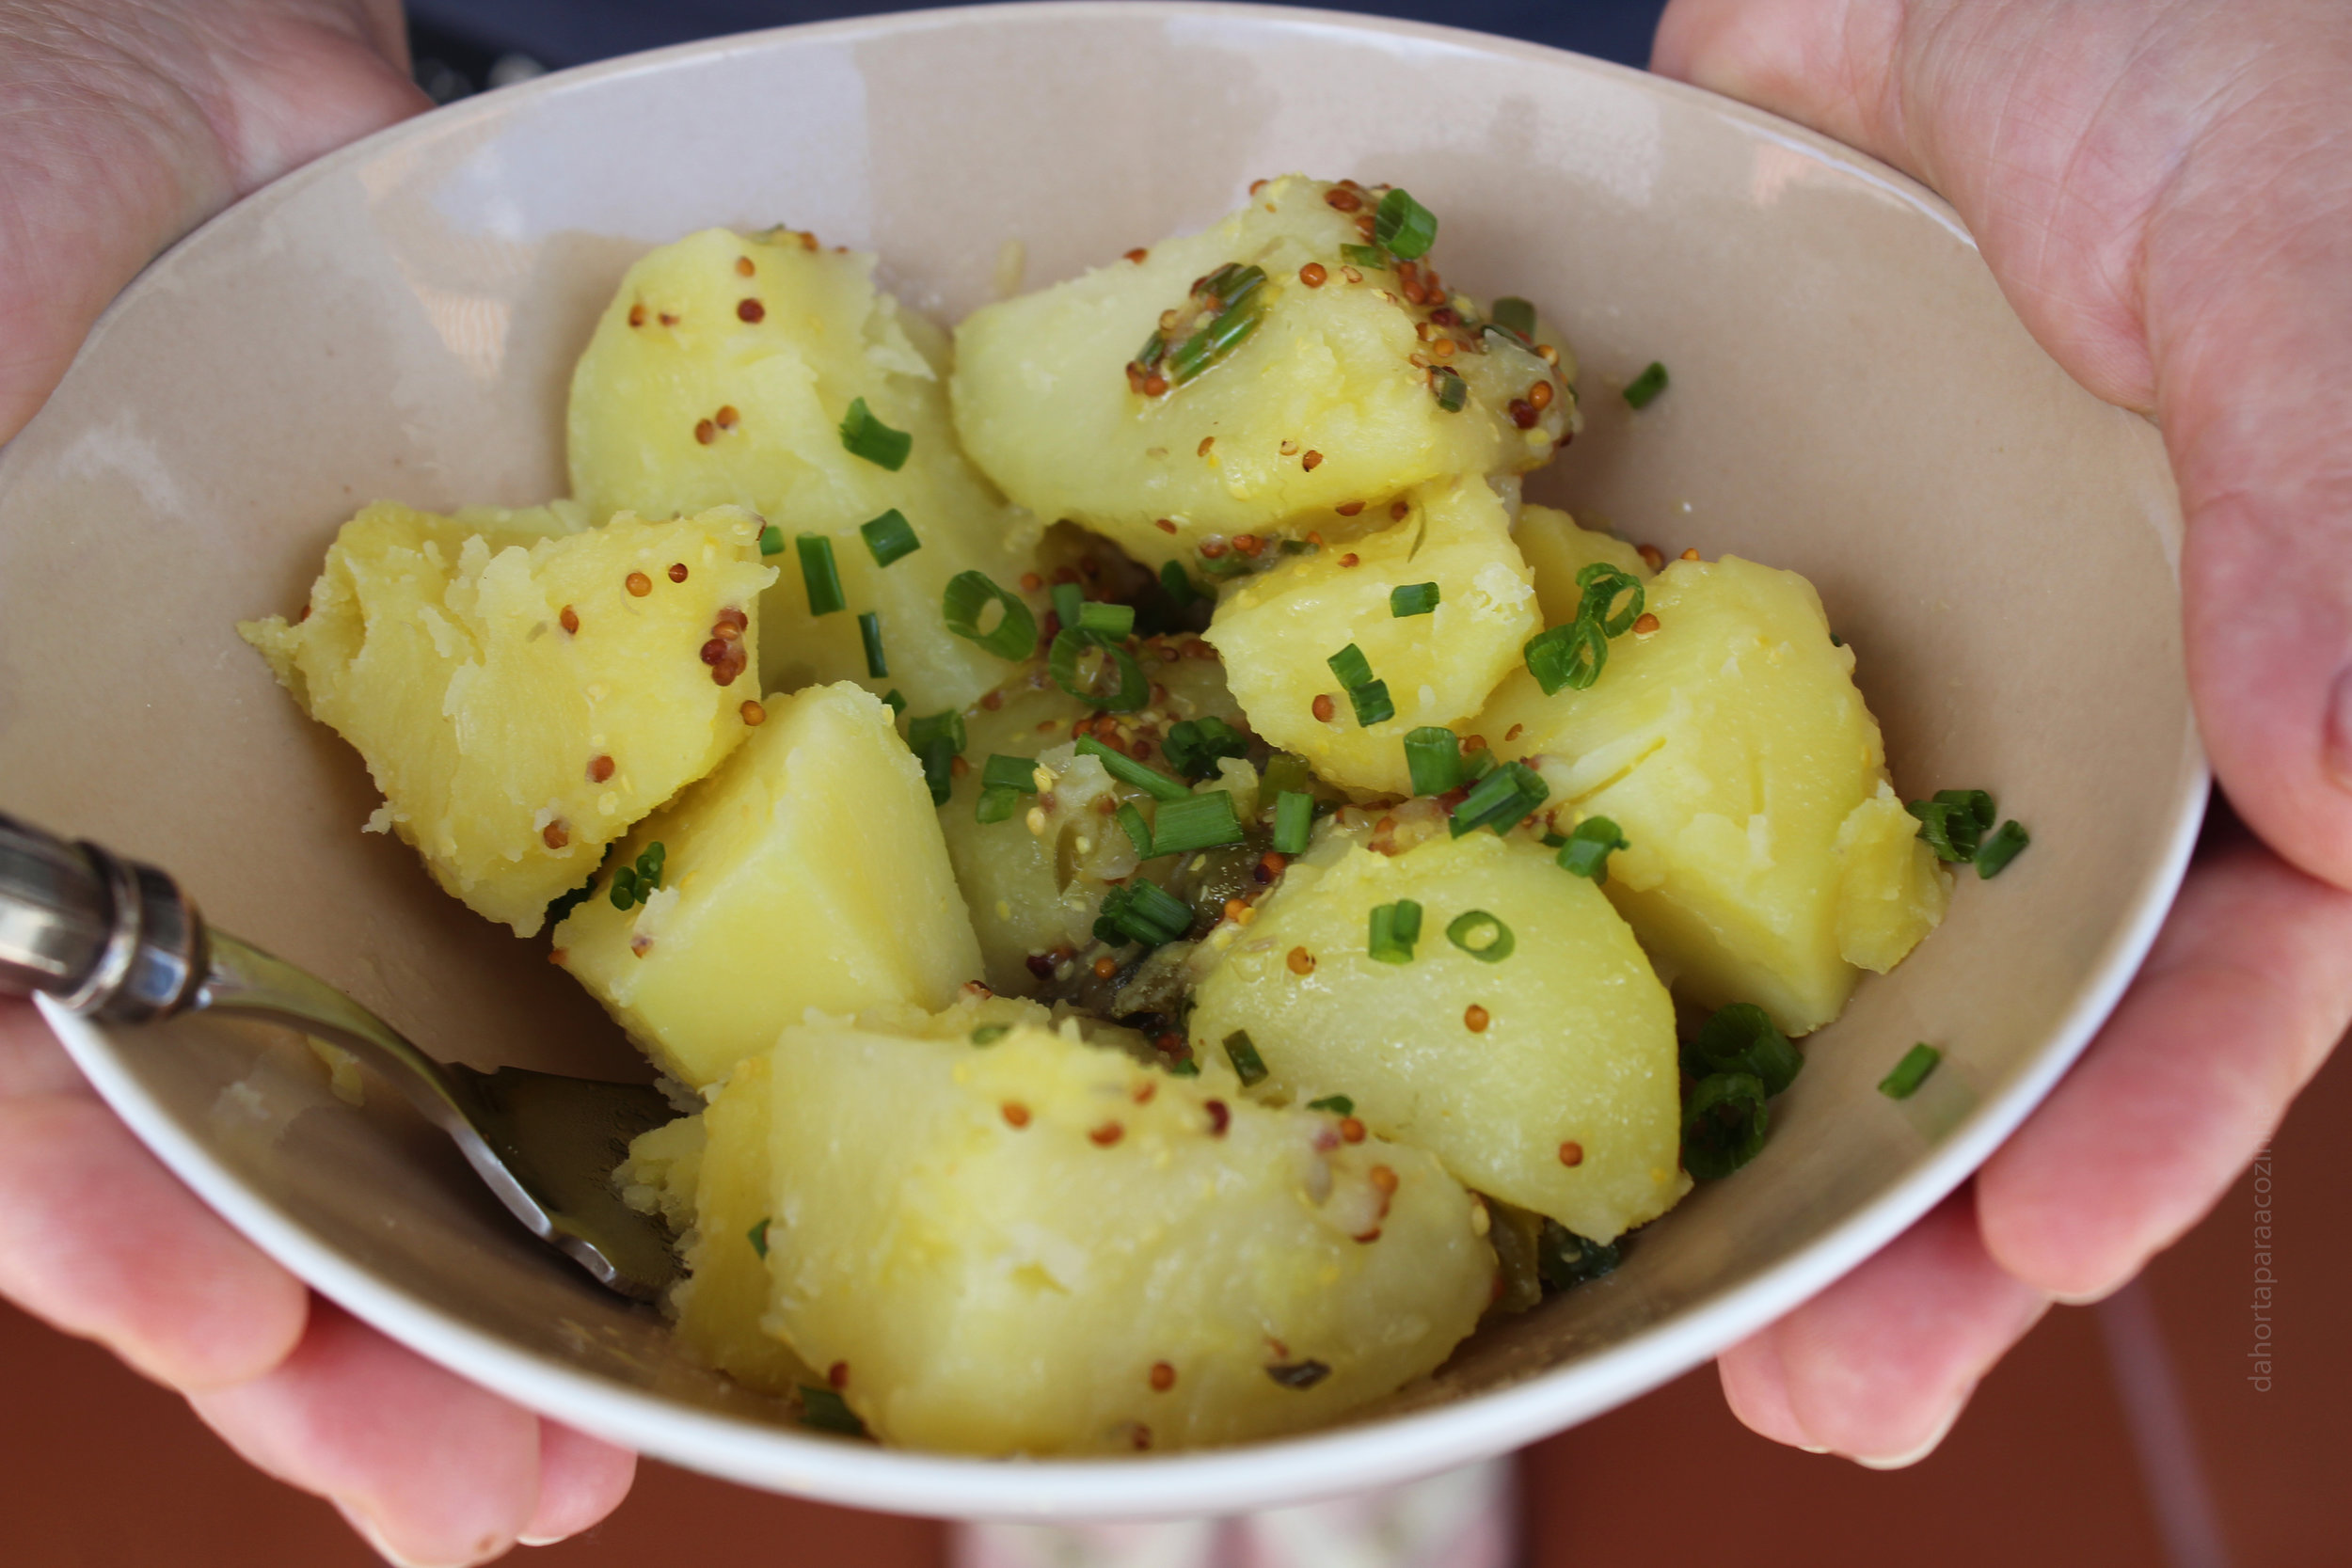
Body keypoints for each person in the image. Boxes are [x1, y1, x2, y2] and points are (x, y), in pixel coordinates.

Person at [3, 0, 2346, 1560]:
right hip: (477, 85)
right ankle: (1118, 1362)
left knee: (1232, 1302)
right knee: (1029, 1281)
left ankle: (1237, 1379)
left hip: (1711, 66)